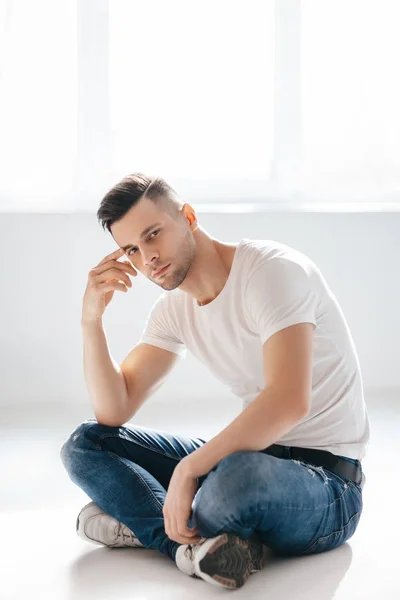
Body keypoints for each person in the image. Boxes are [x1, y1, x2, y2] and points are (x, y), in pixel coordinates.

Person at [60, 172, 370, 590]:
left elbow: (288, 400)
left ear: (188, 217)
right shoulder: (173, 310)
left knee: (233, 481)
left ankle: (141, 523)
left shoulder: (271, 271)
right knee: (86, 443)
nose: (147, 257)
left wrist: (191, 468)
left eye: (154, 234)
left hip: (328, 485)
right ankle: (187, 550)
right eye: (131, 249)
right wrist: (91, 319)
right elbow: (113, 409)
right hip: (253, 457)